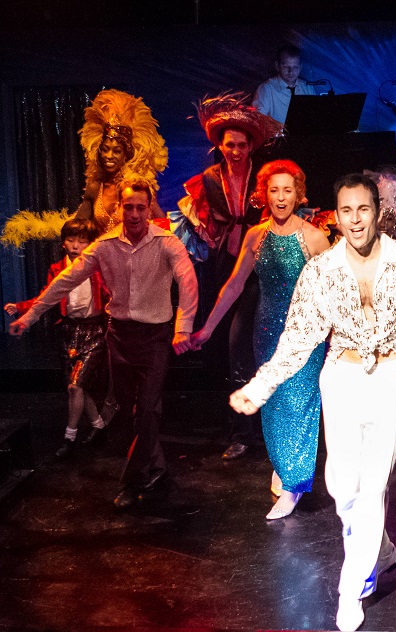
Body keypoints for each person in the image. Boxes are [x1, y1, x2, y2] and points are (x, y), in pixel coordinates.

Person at [229, 173, 396, 631]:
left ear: (377, 212)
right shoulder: (320, 272)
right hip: (340, 376)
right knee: (344, 487)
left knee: (373, 481)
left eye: (364, 209)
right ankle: (379, 549)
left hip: (389, 378)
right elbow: (297, 340)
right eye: (347, 211)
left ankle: (351, 585)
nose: (356, 220)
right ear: (335, 216)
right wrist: (261, 387)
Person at [11, 178, 198, 511]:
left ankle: (132, 481)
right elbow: (64, 282)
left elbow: (188, 282)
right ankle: (158, 469)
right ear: (119, 208)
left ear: (149, 207)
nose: (136, 214)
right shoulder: (104, 246)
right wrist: (30, 316)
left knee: (147, 410)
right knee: (131, 413)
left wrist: (183, 328)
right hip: (119, 337)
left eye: (142, 207)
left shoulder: (168, 243)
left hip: (155, 338)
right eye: (129, 207)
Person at [190, 160, 330, 519]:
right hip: (266, 330)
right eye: (274, 189)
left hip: (305, 335)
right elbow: (235, 285)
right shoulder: (256, 236)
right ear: (263, 194)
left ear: (299, 193)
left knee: (299, 402)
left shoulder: (314, 237)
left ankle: (295, 483)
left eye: (288, 190)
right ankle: (284, 463)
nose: (281, 197)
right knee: (273, 403)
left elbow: (335, 291)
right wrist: (207, 328)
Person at [176, 92, 282, 461]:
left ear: (251, 146)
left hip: (263, 268)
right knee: (230, 349)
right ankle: (242, 429)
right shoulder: (207, 180)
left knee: (255, 346)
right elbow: (203, 229)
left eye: (241, 145)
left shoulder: (265, 178)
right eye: (229, 145)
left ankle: (259, 430)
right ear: (219, 147)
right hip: (226, 269)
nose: (235, 151)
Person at [5, 218, 113, 458]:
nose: (76, 246)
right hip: (68, 331)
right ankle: (98, 426)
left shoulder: (97, 268)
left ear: (90, 244)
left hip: (93, 331)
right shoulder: (57, 268)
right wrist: (22, 308)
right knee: (77, 386)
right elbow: (47, 297)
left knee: (75, 386)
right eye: (71, 240)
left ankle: (69, 436)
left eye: (82, 241)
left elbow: (110, 294)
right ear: (63, 242)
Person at [75, 89, 168, 233]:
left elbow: (163, 227)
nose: (109, 155)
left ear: (126, 155)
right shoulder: (95, 188)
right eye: (105, 149)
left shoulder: (138, 188)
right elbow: (77, 228)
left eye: (117, 151)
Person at [252, 44, 316, 125]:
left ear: (300, 67)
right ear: (277, 66)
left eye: (295, 67)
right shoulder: (266, 89)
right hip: (276, 137)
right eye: (286, 67)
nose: (291, 72)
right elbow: (257, 120)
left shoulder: (308, 88)